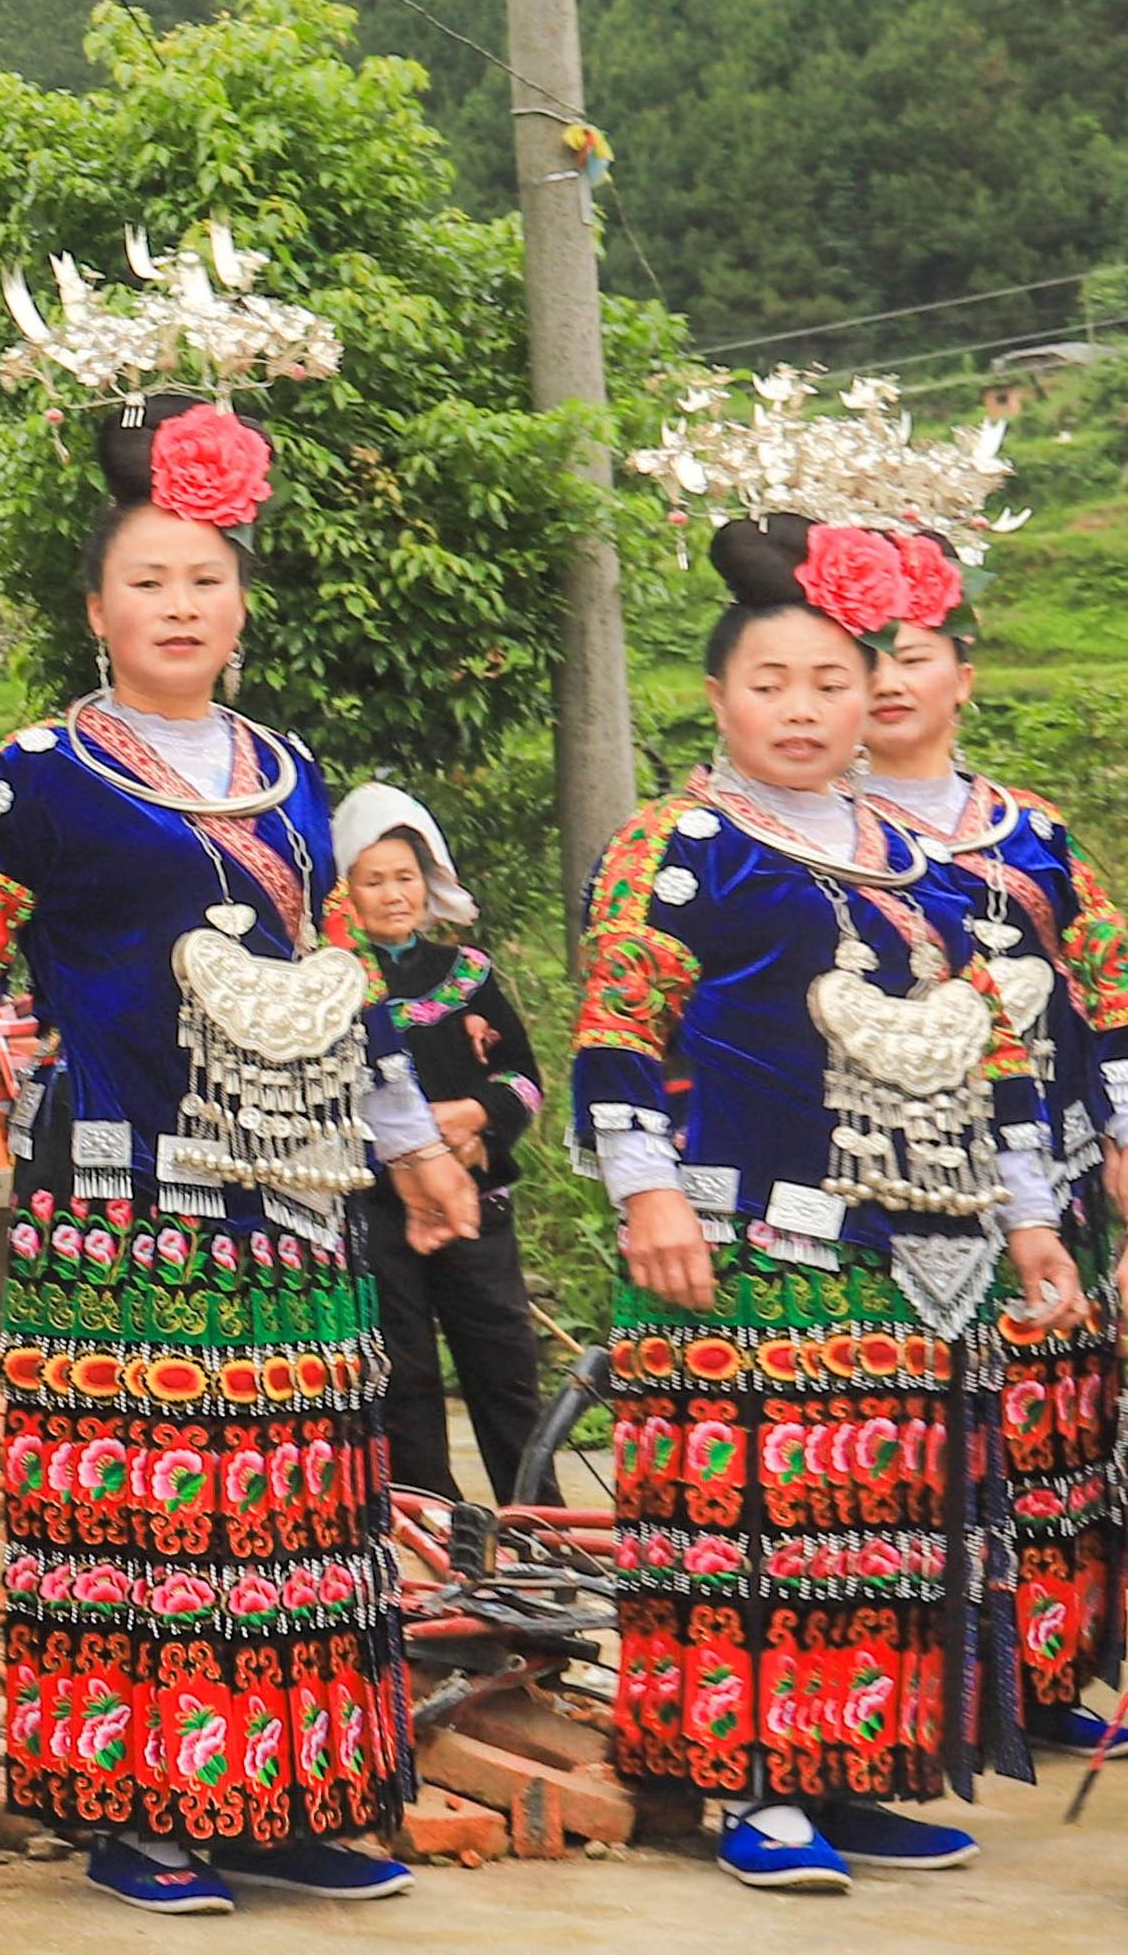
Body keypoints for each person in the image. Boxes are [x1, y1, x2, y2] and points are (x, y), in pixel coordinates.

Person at [0, 389, 477, 1917]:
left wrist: (409, 1146)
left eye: (204, 577)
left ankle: (284, 1797)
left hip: (290, 1188)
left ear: (240, 602)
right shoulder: (41, 772)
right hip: (121, 1185)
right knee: (147, 1503)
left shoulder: (291, 774)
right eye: (147, 578)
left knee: (289, 1501)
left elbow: (349, 981)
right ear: (97, 608)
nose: (179, 602)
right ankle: (142, 1811)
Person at [571, 512, 1080, 1888]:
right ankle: (747, 1787)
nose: (799, 710)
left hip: (910, 1243)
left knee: (881, 1524)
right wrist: (646, 1194)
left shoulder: (926, 865)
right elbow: (618, 1024)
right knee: (753, 1518)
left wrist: (1028, 1215)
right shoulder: (680, 847)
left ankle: (850, 1769)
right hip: (734, 1241)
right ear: (718, 697)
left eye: (827, 683)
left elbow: (996, 1044)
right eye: (768, 684)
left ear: (872, 696)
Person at [854, 529, 1125, 1755]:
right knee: (921, 1446)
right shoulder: (826, 836)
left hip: (1047, 1167)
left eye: (914, 657)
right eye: (871, 660)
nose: (892, 682)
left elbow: (1109, 992)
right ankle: (936, 1692)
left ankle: (1046, 1679)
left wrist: (1118, 1130)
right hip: (898, 1174)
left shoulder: (1037, 837)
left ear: (963, 670)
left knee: (1053, 1434)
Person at [321, 788, 549, 1503]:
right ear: (343, 890)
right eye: (373, 879)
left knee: (504, 1365)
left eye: (405, 877)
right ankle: (430, 1543)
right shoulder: (329, 981)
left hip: (476, 1201)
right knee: (403, 1375)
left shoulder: (468, 972)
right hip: (376, 1213)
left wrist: (475, 1115)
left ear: (429, 881)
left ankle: (544, 1540)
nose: (393, 895)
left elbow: (524, 1077)